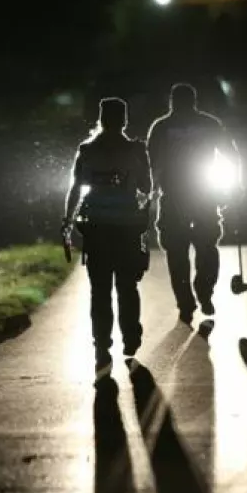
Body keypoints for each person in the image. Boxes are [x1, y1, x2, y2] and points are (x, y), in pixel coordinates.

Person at [63, 97, 153, 372]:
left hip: (97, 231)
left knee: (100, 291)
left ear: (101, 119)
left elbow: (76, 189)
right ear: (124, 120)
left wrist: (67, 221)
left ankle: (102, 345)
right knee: (127, 287)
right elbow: (147, 187)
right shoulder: (136, 150)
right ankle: (131, 338)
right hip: (126, 229)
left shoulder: (87, 151)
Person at [146, 83, 239, 323]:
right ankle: (204, 291)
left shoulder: (161, 126)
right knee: (207, 248)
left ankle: (186, 302)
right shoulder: (210, 124)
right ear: (194, 101)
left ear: (172, 102)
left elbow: (151, 164)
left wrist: (150, 192)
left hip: (174, 197)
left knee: (177, 254)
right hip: (204, 196)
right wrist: (235, 186)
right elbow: (231, 154)